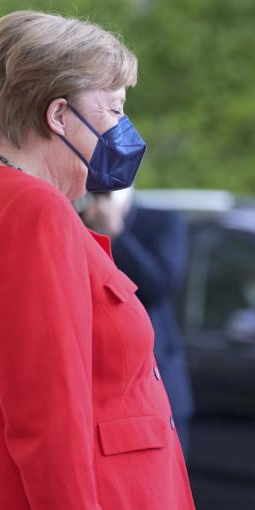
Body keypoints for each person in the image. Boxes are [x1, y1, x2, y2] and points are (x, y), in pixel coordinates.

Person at [0, 11, 210, 510]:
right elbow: (48, 426)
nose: (123, 127)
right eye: (113, 109)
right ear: (58, 114)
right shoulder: (31, 211)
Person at [82, 188, 196, 450]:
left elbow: (159, 287)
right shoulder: (78, 220)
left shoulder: (163, 222)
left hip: (159, 384)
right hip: (101, 387)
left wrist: (117, 234)